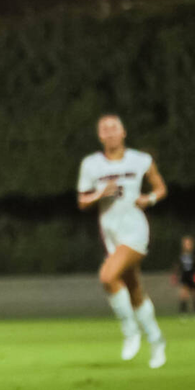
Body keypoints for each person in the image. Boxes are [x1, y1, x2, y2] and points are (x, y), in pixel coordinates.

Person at [77, 113, 168, 366]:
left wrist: (148, 199)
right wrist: (99, 194)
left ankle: (131, 332)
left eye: (113, 127)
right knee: (135, 290)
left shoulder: (140, 160)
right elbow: (82, 201)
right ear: (99, 136)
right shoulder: (91, 164)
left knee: (107, 276)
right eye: (104, 129)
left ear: (123, 132)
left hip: (135, 230)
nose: (109, 132)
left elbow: (160, 187)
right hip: (111, 234)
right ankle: (157, 340)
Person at [173, 235, 195, 317]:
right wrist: (175, 276)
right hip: (184, 276)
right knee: (183, 295)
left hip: (193, 276)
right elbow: (178, 266)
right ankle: (183, 313)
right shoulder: (181, 255)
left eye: (189, 244)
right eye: (186, 244)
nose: (187, 245)